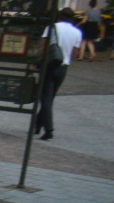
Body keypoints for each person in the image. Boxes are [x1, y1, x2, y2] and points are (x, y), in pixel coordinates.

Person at [35, 8, 83, 141]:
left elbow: (43, 47)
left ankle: (48, 129)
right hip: (63, 67)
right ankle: (37, 124)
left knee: (45, 98)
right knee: (50, 98)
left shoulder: (51, 28)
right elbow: (74, 54)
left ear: (60, 16)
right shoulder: (77, 32)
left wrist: (37, 61)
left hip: (50, 66)